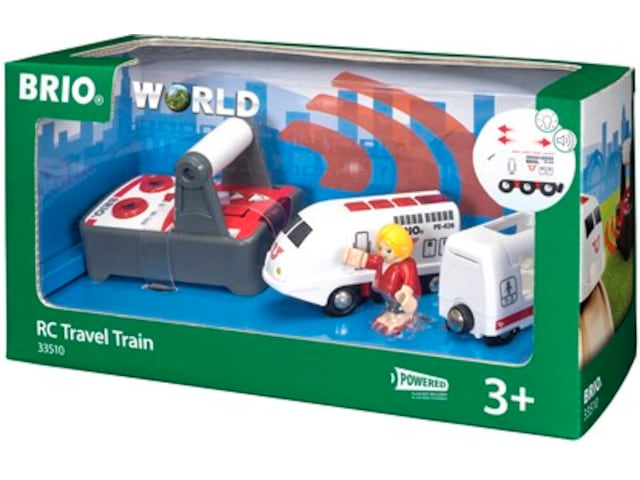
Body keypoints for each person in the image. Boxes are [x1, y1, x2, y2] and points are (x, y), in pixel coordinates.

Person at [344, 223, 421, 335]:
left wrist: (406, 292)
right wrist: (355, 257)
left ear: (402, 249)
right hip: (387, 293)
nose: (383, 253)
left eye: (388, 251)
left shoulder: (406, 265)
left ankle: (404, 317)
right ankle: (390, 314)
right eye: (380, 248)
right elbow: (370, 260)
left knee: (400, 307)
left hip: (402, 296)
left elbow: (410, 279)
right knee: (390, 304)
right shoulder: (382, 260)